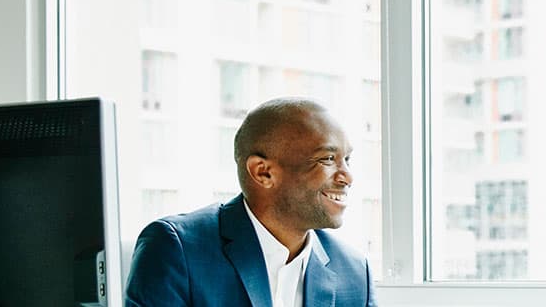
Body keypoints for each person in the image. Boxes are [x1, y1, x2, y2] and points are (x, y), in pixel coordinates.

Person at [125, 98, 378, 307]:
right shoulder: (176, 250)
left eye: (347, 159)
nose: (347, 176)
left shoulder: (355, 273)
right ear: (262, 172)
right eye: (327, 159)